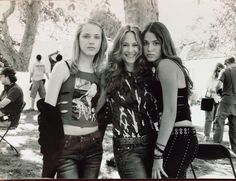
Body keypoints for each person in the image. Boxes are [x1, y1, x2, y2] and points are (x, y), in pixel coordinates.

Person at [37, 20, 108, 178]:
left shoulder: (102, 75)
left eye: (97, 37)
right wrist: (48, 156)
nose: (91, 41)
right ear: (78, 39)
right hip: (66, 146)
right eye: (86, 36)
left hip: (94, 147)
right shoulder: (63, 67)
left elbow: (100, 110)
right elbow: (47, 114)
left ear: (102, 42)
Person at [96, 25, 159, 178]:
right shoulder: (109, 74)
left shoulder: (152, 73)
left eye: (135, 45)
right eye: (125, 45)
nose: (130, 50)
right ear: (119, 47)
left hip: (153, 144)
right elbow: (95, 109)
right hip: (126, 148)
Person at [141, 22, 199, 179]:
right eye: (145, 43)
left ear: (164, 43)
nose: (149, 48)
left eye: (155, 43)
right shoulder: (167, 65)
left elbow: (170, 112)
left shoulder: (165, 65)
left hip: (178, 138)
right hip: (181, 137)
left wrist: (158, 154)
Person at [213, 57, 236, 154]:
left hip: (226, 100)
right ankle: (234, 150)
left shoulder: (225, 71)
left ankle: (217, 148)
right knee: (234, 126)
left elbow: (218, 85)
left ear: (227, 63)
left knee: (219, 122)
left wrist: (219, 92)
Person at [203, 63, 224, 142]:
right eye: (218, 71)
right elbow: (208, 89)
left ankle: (215, 134)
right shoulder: (210, 78)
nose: (219, 73)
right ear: (215, 70)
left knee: (216, 118)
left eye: (221, 71)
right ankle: (206, 135)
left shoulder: (222, 79)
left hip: (218, 100)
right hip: (210, 99)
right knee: (209, 118)